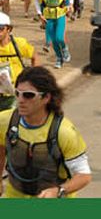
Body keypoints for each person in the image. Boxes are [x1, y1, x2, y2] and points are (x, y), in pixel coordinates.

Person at [0, 66, 92, 198]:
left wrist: (59, 191)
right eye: (17, 93)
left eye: (28, 95)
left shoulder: (64, 131)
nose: (20, 100)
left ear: (46, 98)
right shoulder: (5, 121)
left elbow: (84, 175)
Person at [32, 0, 74, 69]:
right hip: (47, 16)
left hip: (60, 14)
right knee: (53, 40)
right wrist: (39, 13)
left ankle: (65, 49)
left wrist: (70, 4)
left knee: (59, 38)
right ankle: (59, 58)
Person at [0, 12, 40, 111]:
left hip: (15, 93)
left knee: (12, 121)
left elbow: (34, 56)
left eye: (1, 28)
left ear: (9, 29)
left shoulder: (19, 44)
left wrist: (34, 80)